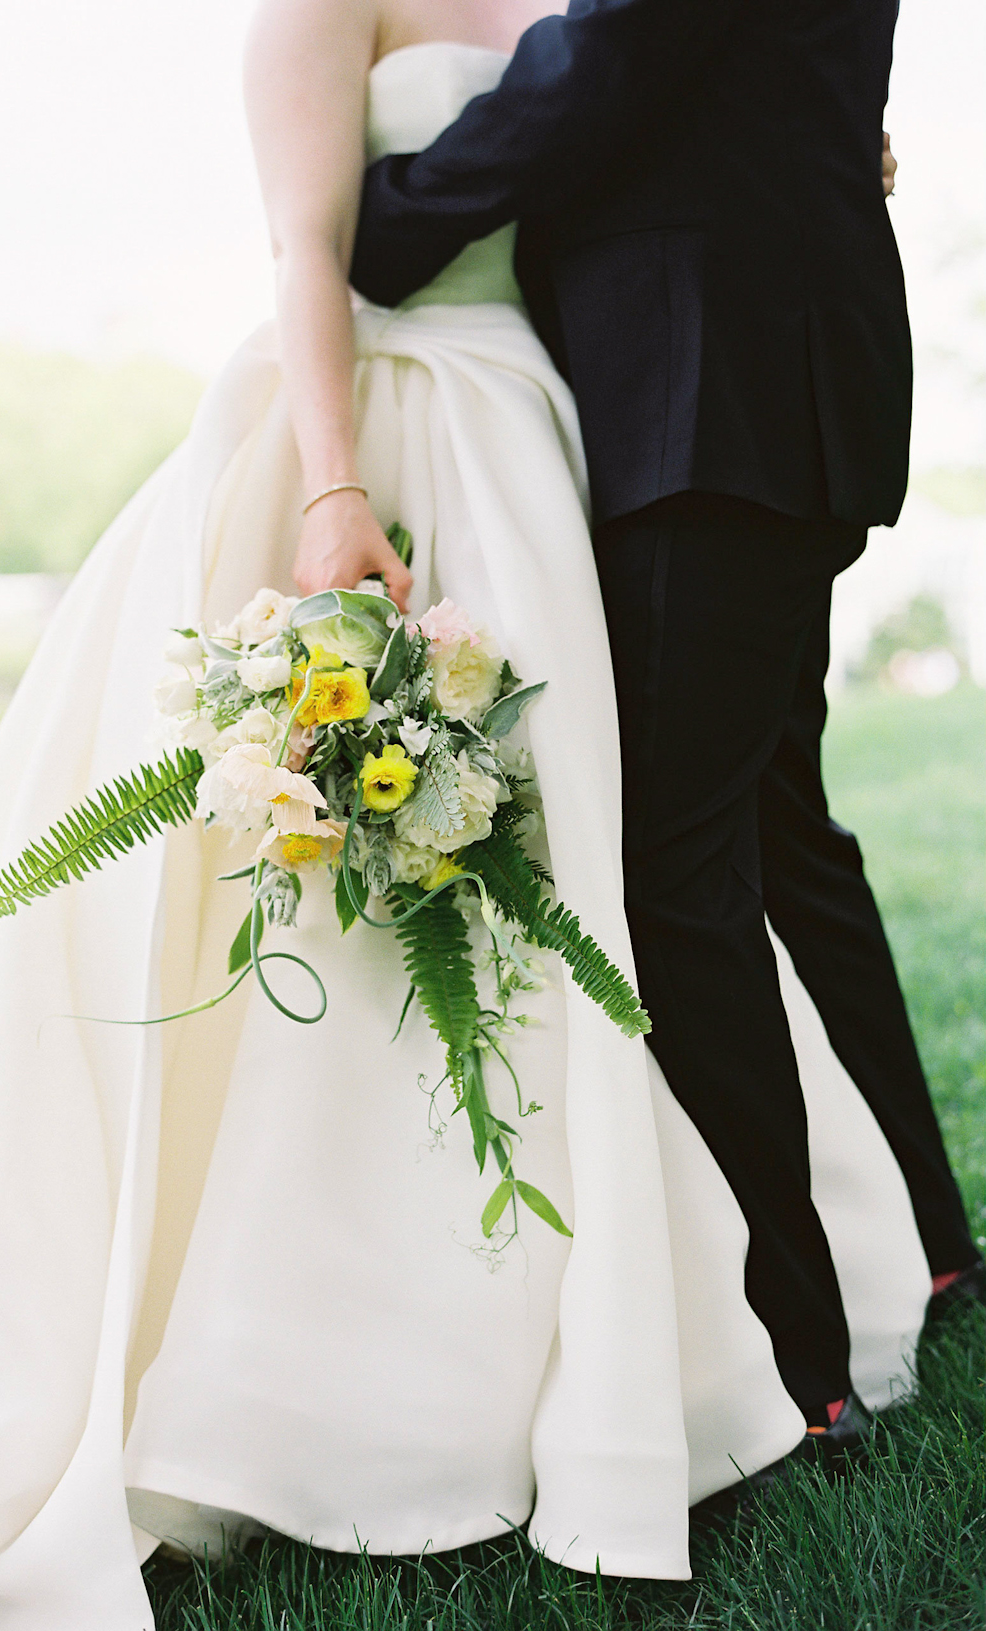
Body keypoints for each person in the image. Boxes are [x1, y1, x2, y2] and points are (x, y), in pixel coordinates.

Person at [0, 3, 941, 1627]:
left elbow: (634, 109)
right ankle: (340, 1356)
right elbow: (303, 243)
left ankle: (620, 1324)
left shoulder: (545, 3)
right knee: (373, 907)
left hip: (546, 443)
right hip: (375, 442)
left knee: (586, 868)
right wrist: (331, 488)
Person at [349, 0, 985, 1423]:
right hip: (750, 382)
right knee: (776, 833)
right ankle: (928, 1249)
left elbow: (612, 63)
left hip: (708, 392)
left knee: (673, 868)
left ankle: (795, 1351)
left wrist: (382, 219)